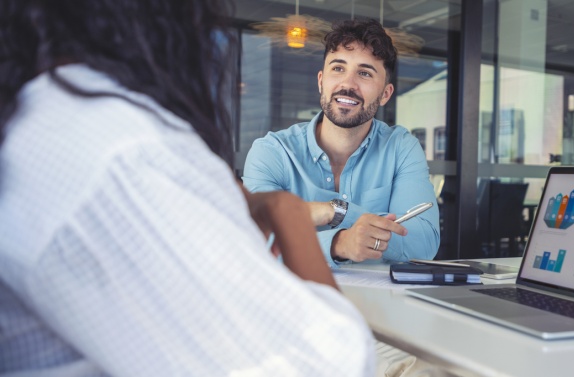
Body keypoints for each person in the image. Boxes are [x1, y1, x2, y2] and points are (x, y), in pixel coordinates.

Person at [0, 1, 375, 375]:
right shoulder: (123, 152)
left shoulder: (41, 116)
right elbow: (328, 363)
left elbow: (419, 239)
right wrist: (292, 216)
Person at [243, 19, 440, 267]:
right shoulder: (272, 152)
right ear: (320, 81)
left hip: (381, 304)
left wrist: (338, 212)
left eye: (365, 73)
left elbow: (422, 244)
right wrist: (338, 243)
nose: (347, 84)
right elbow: (251, 240)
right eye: (338, 68)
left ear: (385, 94)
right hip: (293, 300)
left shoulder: (401, 148)